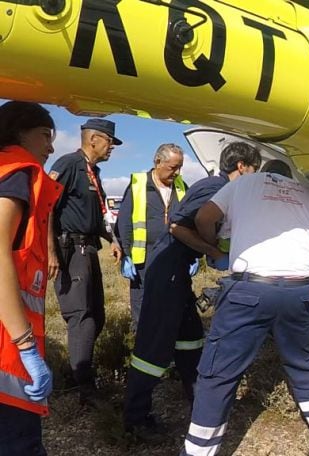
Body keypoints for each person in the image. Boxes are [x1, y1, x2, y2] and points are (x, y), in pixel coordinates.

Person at [181, 163, 309, 456]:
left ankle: (199, 451)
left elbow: (204, 216)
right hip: (298, 293)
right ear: (288, 176)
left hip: (250, 292)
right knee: (304, 360)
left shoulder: (243, 183)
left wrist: (213, 243)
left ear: (264, 171)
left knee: (219, 371)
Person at [123, 142, 261, 438]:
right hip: (167, 271)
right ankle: (135, 418)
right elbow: (178, 226)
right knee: (154, 347)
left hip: (177, 271)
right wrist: (212, 250)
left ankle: (199, 402)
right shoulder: (217, 187)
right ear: (242, 167)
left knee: (190, 340)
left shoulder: (219, 187)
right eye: (254, 170)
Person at [0, 101, 62, 454]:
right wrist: (26, 347)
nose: (51, 147)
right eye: (44, 136)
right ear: (18, 131)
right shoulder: (16, 173)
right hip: (5, 351)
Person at [48, 117, 123, 404]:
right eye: (109, 141)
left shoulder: (94, 172)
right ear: (93, 139)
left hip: (88, 249)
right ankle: (84, 388)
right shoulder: (68, 164)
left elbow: (98, 216)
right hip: (70, 249)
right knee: (82, 317)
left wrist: (113, 241)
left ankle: (78, 371)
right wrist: (52, 252)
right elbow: (46, 208)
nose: (111, 148)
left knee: (96, 315)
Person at [115, 143, 187, 328]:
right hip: (144, 258)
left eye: (180, 167)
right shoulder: (138, 184)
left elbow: (190, 219)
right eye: (173, 167)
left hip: (174, 256)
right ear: (157, 162)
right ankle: (142, 349)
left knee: (172, 306)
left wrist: (192, 253)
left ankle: (169, 351)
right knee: (144, 309)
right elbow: (124, 221)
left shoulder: (181, 186)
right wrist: (126, 254)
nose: (177, 172)